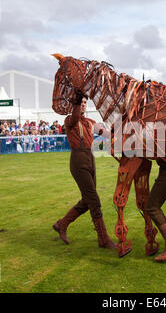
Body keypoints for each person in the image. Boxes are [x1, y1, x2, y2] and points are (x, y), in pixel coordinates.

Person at [52, 93, 117, 251]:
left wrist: (120, 128)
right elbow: (74, 116)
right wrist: (76, 98)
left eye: (84, 102)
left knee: (88, 200)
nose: (83, 104)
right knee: (94, 200)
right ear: (75, 103)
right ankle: (103, 239)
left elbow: (107, 134)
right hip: (78, 160)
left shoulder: (90, 122)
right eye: (80, 102)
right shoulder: (69, 120)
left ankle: (62, 224)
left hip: (90, 158)